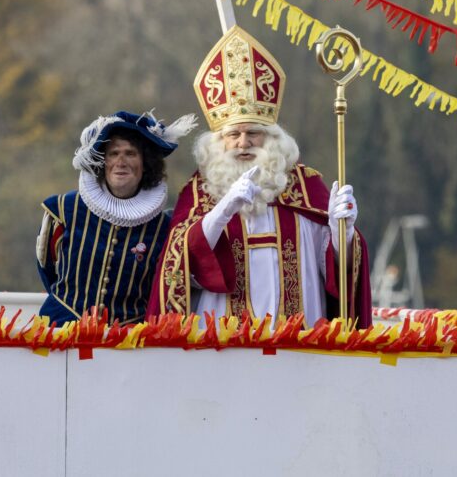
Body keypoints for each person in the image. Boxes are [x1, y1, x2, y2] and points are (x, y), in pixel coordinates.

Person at [147, 26, 372, 328]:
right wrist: (223, 210)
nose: (243, 143)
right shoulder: (200, 191)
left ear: (273, 139)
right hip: (223, 352)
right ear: (218, 141)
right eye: (233, 135)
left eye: (253, 133)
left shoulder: (305, 187)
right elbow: (181, 271)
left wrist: (340, 234)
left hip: (299, 346)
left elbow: (337, 274)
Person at [36, 110, 196, 325]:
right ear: (102, 161)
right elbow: (47, 269)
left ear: (145, 164)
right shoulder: (64, 209)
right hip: (61, 329)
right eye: (113, 153)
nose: (121, 162)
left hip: (129, 341)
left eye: (131, 154)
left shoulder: (164, 227)